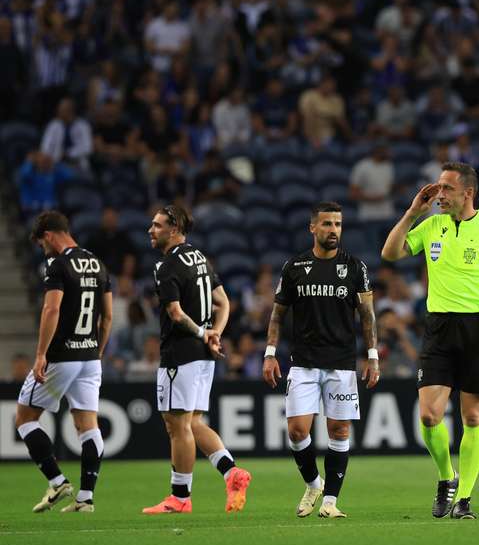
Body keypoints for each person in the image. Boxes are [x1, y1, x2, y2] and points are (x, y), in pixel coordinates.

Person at [381, 162, 479, 519]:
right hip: (438, 326)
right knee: (429, 414)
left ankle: (464, 499)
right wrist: (411, 213)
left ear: (467, 193)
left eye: (447, 189)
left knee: (472, 415)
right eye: (437, 187)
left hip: (477, 328)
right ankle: (446, 477)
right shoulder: (431, 224)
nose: (439, 194)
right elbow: (390, 254)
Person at [263, 201, 378, 519]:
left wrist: (373, 356)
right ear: (312, 228)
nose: (333, 230)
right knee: (298, 431)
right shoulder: (294, 267)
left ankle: (330, 501)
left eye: (338, 224)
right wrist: (270, 354)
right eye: (327, 224)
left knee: (339, 431)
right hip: (303, 362)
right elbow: (277, 316)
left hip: (341, 363)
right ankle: (313, 483)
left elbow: (367, 317)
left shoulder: (355, 267)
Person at [142, 205, 251, 514]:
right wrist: (214, 332)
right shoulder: (199, 256)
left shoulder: (167, 265)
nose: (151, 230)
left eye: (157, 225)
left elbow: (175, 313)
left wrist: (204, 334)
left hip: (181, 353)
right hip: (203, 356)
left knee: (177, 425)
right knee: (191, 422)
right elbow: (223, 302)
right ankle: (232, 472)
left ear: (174, 229)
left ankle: (180, 497)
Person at [15, 211, 112, 513]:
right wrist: (98, 350)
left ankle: (57, 481)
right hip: (89, 356)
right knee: (88, 425)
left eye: (42, 243)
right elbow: (107, 316)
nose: (43, 250)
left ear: (49, 235)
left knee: (25, 418)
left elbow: (51, 310)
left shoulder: (58, 264)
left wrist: (41, 354)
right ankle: (86, 498)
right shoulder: (97, 263)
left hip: (62, 355)